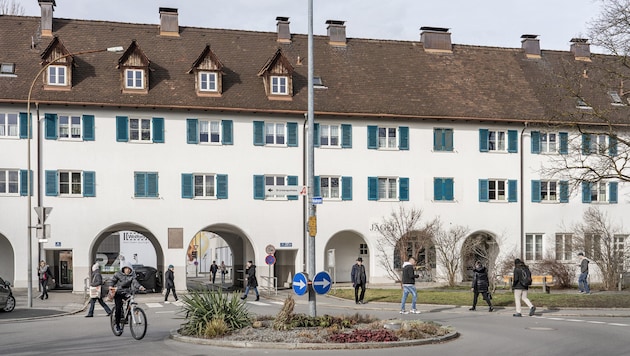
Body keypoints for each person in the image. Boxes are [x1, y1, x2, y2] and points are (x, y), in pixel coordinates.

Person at [108, 261, 145, 332]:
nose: (127, 270)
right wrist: (111, 286)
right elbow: (113, 281)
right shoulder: (118, 274)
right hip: (118, 292)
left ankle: (128, 316)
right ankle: (118, 324)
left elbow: (135, 282)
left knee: (131, 301)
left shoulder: (132, 276)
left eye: (129, 269)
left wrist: (140, 287)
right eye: (126, 269)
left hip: (126, 292)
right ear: (123, 269)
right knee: (118, 308)